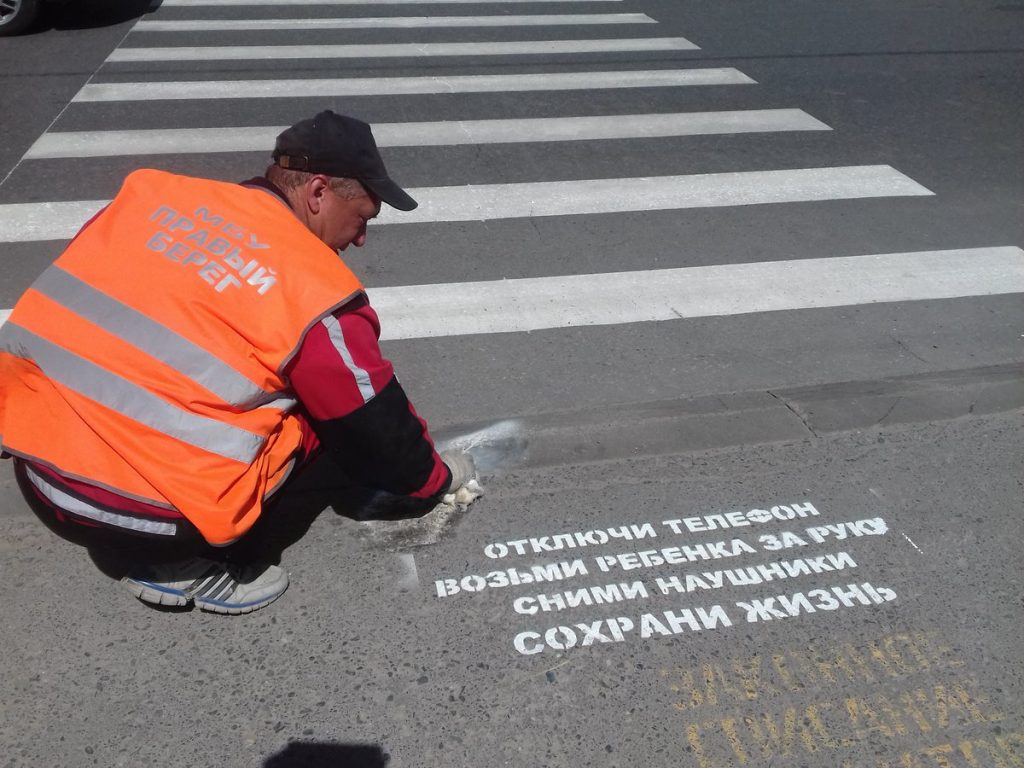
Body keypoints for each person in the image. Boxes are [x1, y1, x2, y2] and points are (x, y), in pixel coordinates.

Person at [0, 110, 475, 615]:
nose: (359, 239)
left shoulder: (152, 197)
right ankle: (179, 565)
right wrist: (435, 480)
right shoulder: (314, 288)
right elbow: (374, 424)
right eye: (363, 217)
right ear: (318, 192)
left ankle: (145, 530)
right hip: (140, 516)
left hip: (38, 469)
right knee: (318, 412)